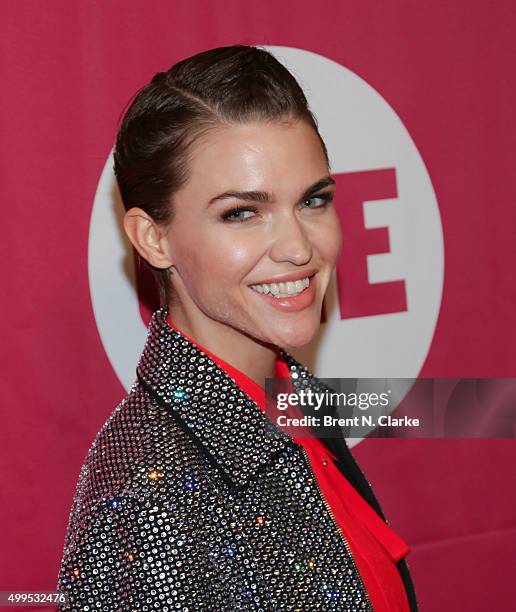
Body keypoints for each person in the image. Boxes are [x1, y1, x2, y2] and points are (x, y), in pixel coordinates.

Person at [57, 45, 418, 611]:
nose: (299, 247)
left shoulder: (295, 401)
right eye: (241, 213)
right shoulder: (151, 494)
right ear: (154, 238)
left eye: (313, 200)